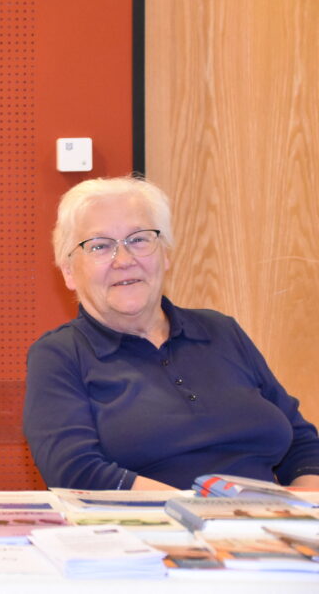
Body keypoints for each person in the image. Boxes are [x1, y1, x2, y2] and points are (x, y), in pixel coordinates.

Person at [23, 176, 319, 490]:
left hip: (269, 519)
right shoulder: (59, 355)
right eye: (100, 246)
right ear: (69, 271)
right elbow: (76, 472)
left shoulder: (221, 330)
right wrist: (198, 509)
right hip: (153, 520)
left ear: (165, 255)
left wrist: (301, 505)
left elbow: (301, 443)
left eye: (139, 239)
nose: (124, 260)